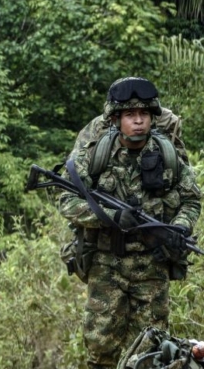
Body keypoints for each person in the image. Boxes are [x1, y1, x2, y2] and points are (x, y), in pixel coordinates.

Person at [58, 77, 201, 369]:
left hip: (152, 267)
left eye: (144, 115)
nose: (138, 121)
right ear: (115, 119)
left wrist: (180, 229)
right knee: (101, 352)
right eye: (130, 115)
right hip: (107, 264)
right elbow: (66, 201)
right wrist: (109, 218)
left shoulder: (167, 155)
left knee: (152, 351)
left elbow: (191, 200)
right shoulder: (95, 155)